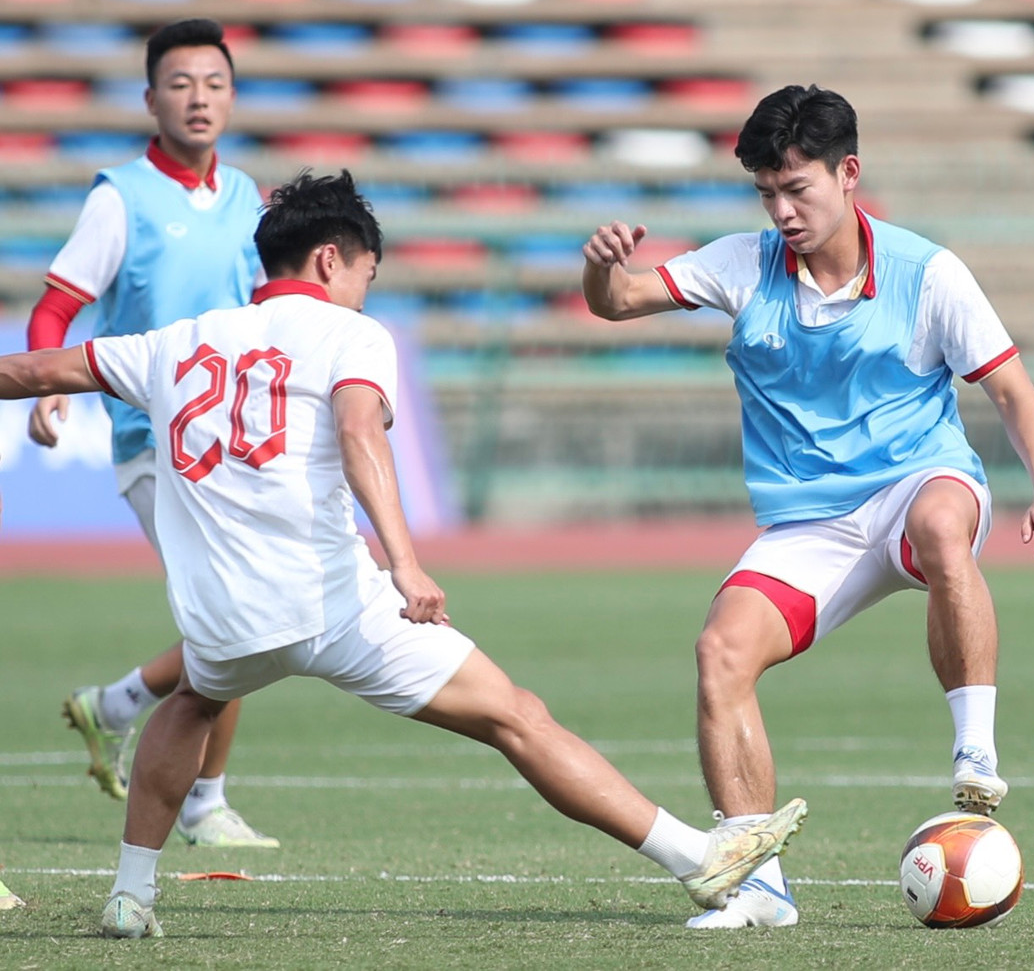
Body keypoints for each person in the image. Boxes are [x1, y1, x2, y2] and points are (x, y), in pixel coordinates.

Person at [0, 170, 807, 939]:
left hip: (223, 615)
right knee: (516, 717)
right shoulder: (348, 332)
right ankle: (698, 859)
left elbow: (32, 369)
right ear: (330, 259)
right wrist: (406, 562)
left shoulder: (171, 343)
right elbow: (358, 433)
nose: (365, 290)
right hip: (338, 602)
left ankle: (131, 895)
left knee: (191, 704)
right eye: (366, 273)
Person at [582, 84, 1034, 929]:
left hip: (917, 483)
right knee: (720, 652)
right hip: (808, 526)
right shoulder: (743, 264)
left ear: (848, 174)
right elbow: (617, 301)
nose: (780, 210)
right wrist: (599, 264)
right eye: (765, 192)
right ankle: (758, 884)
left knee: (938, 528)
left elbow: (1012, 391)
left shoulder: (929, 274)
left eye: (796, 188)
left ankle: (975, 747)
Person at [24, 18, 277, 848]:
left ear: (232, 97)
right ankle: (201, 801)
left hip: (237, 438)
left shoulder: (247, 198)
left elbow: (271, 311)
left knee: (242, 608)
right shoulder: (119, 197)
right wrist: (43, 382)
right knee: (237, 606)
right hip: (153, 441)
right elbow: (60, 304)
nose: (197, 98)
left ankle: (119, 708)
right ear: (150, 99)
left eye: (212, 82)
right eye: (180, 83)